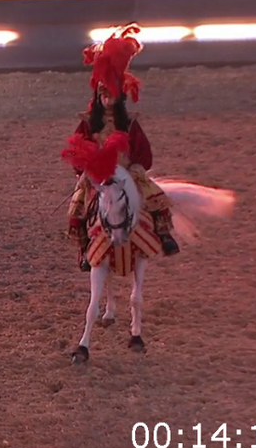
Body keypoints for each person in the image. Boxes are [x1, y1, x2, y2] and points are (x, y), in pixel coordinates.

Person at [66, 24, 179, 273]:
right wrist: (84, 165)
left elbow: (142, 149)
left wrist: (136, 167)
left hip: (126, 168)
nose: (107, 98)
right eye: (103, 93)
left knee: (155, 196)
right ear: (98, 95)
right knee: (77, 207)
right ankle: (85, 249)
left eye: (112, 94)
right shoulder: (88, 123)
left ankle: (164, 236)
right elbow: (77, 146)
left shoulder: (128, 123)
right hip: (97, 173)